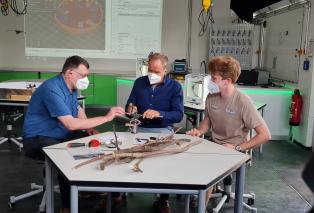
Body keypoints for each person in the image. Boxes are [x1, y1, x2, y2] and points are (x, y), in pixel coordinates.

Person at [23, 55, 125, 213]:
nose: (86, 79)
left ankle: (110, 193)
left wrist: (89, 130)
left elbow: (78, 109)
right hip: (37, 139)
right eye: (83, 75)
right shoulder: (52, 88)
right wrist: (106, 117)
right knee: (66, 155)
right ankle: (67, 207)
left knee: (96, 144)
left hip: (58, 134)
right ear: (70, 73)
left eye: (87, 76)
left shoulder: (72, 88)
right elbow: (70, 124)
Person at [186, 56, 271, 208]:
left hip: (236, 150)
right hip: (215, 146)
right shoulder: (211, 97)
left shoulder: (243, 101)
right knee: (188, 155)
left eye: (214, 78)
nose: (211, 82)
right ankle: (198, 195)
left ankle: (202, 207)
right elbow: (208, 120)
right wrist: (199, 131)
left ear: (228, 80)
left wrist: (237, 148)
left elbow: (265, 135)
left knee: (208, 168)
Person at [126, 52, 184, 212]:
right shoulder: (139, 83)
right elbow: (128, 107)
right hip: (139, 129)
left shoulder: (175, 87)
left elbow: (178, 115)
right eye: (150, 70)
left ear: (165, 70)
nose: (152, 74)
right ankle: (117, 193)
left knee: (164, 161)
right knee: (125, 155)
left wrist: (159, 113)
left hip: (163, 130)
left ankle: (164, 200)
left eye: (156, 71)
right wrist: (131, 108)